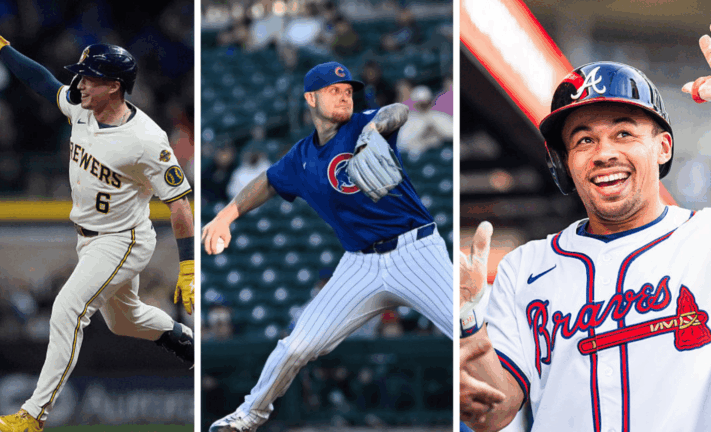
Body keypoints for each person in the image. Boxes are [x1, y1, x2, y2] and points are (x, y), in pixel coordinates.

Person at [0, 10, 195, 432]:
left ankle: (32, 416)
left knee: (67, 309)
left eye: (90, 78)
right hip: (88, 238)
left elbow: (181, 203)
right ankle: (186, 339)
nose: (80, 83)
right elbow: (42, 82)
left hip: (122, 238)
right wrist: (0, 45)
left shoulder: (146, 140)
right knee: (124, 320)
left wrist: (188, 265)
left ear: (115, 86)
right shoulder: (82, 106)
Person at [460, 53, 711, 431]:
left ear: (663, 148)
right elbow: (495, 411)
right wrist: (468, 323)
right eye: (584, 140)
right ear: (564, 163)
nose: (604, 154)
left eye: (623, 133)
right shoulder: (524, 266)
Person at [202, 61, 453, 432]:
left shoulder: (363, 124)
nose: (344, 96)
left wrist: (375, 127)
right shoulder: (302, 157)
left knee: (468, 332)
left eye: (348, 90)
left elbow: (397, 111)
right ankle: (248, 416)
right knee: (297, 345)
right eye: (334, 91)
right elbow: (268, 181)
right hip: (360, 265)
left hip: (416, 250)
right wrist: (226, 216)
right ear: (310, 98)